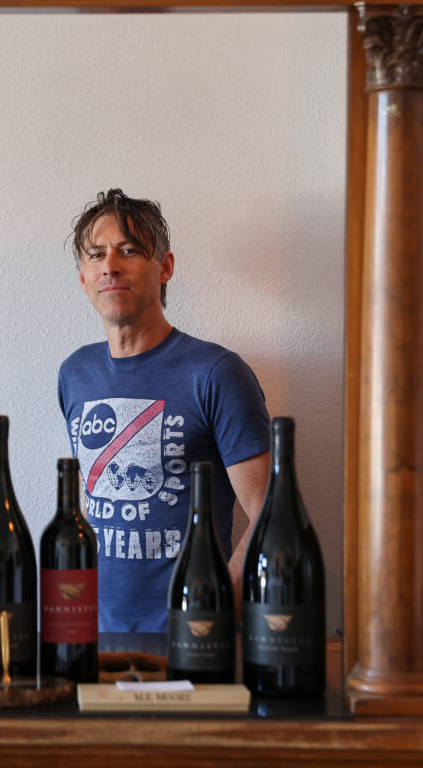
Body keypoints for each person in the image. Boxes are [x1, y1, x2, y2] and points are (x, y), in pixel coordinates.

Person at [57, 188, 271, 633]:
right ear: (82, 277)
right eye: (96, 255)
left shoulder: (217, 373)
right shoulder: (74, 374)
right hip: (92, 636)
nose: (110, 265)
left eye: (129, 250)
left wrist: (217, 603)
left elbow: (269, 512)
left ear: (165, 267)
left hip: (192, 639)